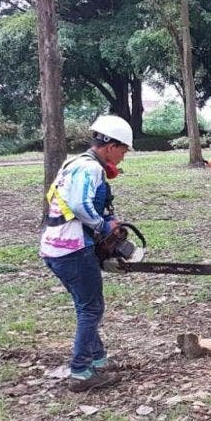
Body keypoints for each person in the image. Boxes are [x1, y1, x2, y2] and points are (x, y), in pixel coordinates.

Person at [40, 115, 133, 392]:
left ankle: (98, 359)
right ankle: (81, 372)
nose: (124, 157)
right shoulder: (90, 168)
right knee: (91, 308)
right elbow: (80, 206)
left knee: (86, 305)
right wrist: (103, 226)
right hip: (72, 249)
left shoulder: (74, 163)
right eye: (124, 150)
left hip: (54, 247)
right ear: (110, 146)